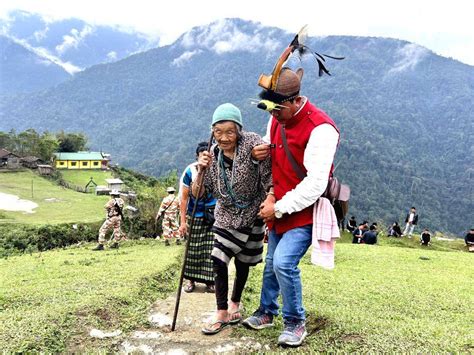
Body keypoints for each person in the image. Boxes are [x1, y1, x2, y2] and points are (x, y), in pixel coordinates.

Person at [243, 67, 340, 347]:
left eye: (277, 110)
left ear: (295, 101)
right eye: (269, 110)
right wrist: (260, 157)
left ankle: (295, 322)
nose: (273, 116)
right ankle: (266, 311)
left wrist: (279, 206)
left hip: (304, 210)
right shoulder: (277, 121)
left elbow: (315, 184)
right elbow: (275, 159)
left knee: (284, 263)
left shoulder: (321, 129)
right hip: (279, 205)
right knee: (272, 263)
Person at [193, 103, 272, 335]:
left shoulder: (252, 143)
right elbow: (199, 194)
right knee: (218, 258)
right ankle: (221, 312)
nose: (224, 137)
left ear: (239, 130)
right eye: (218, 132)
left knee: (243, 261)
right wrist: (201, 170)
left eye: (230, 131)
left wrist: (270, 198)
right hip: (226, 214)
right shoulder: (211, 155)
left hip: (252, 213)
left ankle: (235, 303)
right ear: (212, 132)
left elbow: (269, 175)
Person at [179, 142, 216, 293]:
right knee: (192, 250)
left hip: (213, 215)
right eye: (203, 156)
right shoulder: (190, 171)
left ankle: (210, 281)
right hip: (195, 215)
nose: (206, 159)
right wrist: (182, 222)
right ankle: (191, 280)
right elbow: (184, 198)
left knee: (211, 250)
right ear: (197, 156)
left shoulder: (218, 170)